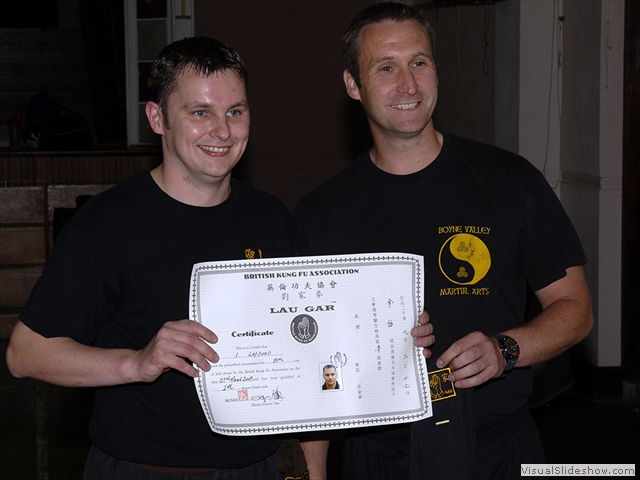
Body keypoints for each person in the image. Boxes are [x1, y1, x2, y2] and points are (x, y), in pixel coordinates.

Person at [293, 2, 594, 479]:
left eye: (420, 62)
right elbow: (309, 370)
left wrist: (506, 349)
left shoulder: (510, 181)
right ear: (353, 84)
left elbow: (575, 308)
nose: (408, 84)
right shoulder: (320, 214)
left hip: (496, 450)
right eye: (385, 67)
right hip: (379, 456)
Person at [6, 36, 325, 480]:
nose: (223, 131)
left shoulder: (271, 218)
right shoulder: (106, 223)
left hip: (260, 466)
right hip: (142, 468)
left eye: (235, 111)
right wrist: (137, 362)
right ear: (157, 118)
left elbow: (312, 353)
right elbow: (26, 354)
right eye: (200, 113)